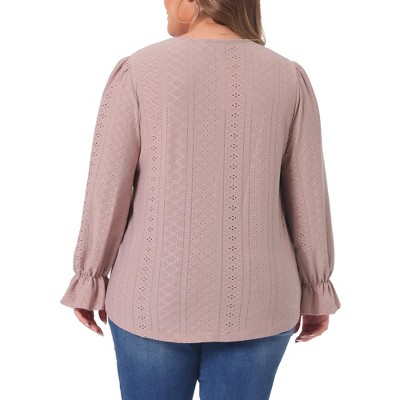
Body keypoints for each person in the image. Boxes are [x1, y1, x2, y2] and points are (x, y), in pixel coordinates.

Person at [60, 0, 341, 398]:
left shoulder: (139, 71)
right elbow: (307, 195)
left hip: (150, 297)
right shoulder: (287, 77)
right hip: (260, 300)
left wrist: (90, 277)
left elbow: (108, 191)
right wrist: (316, 287)